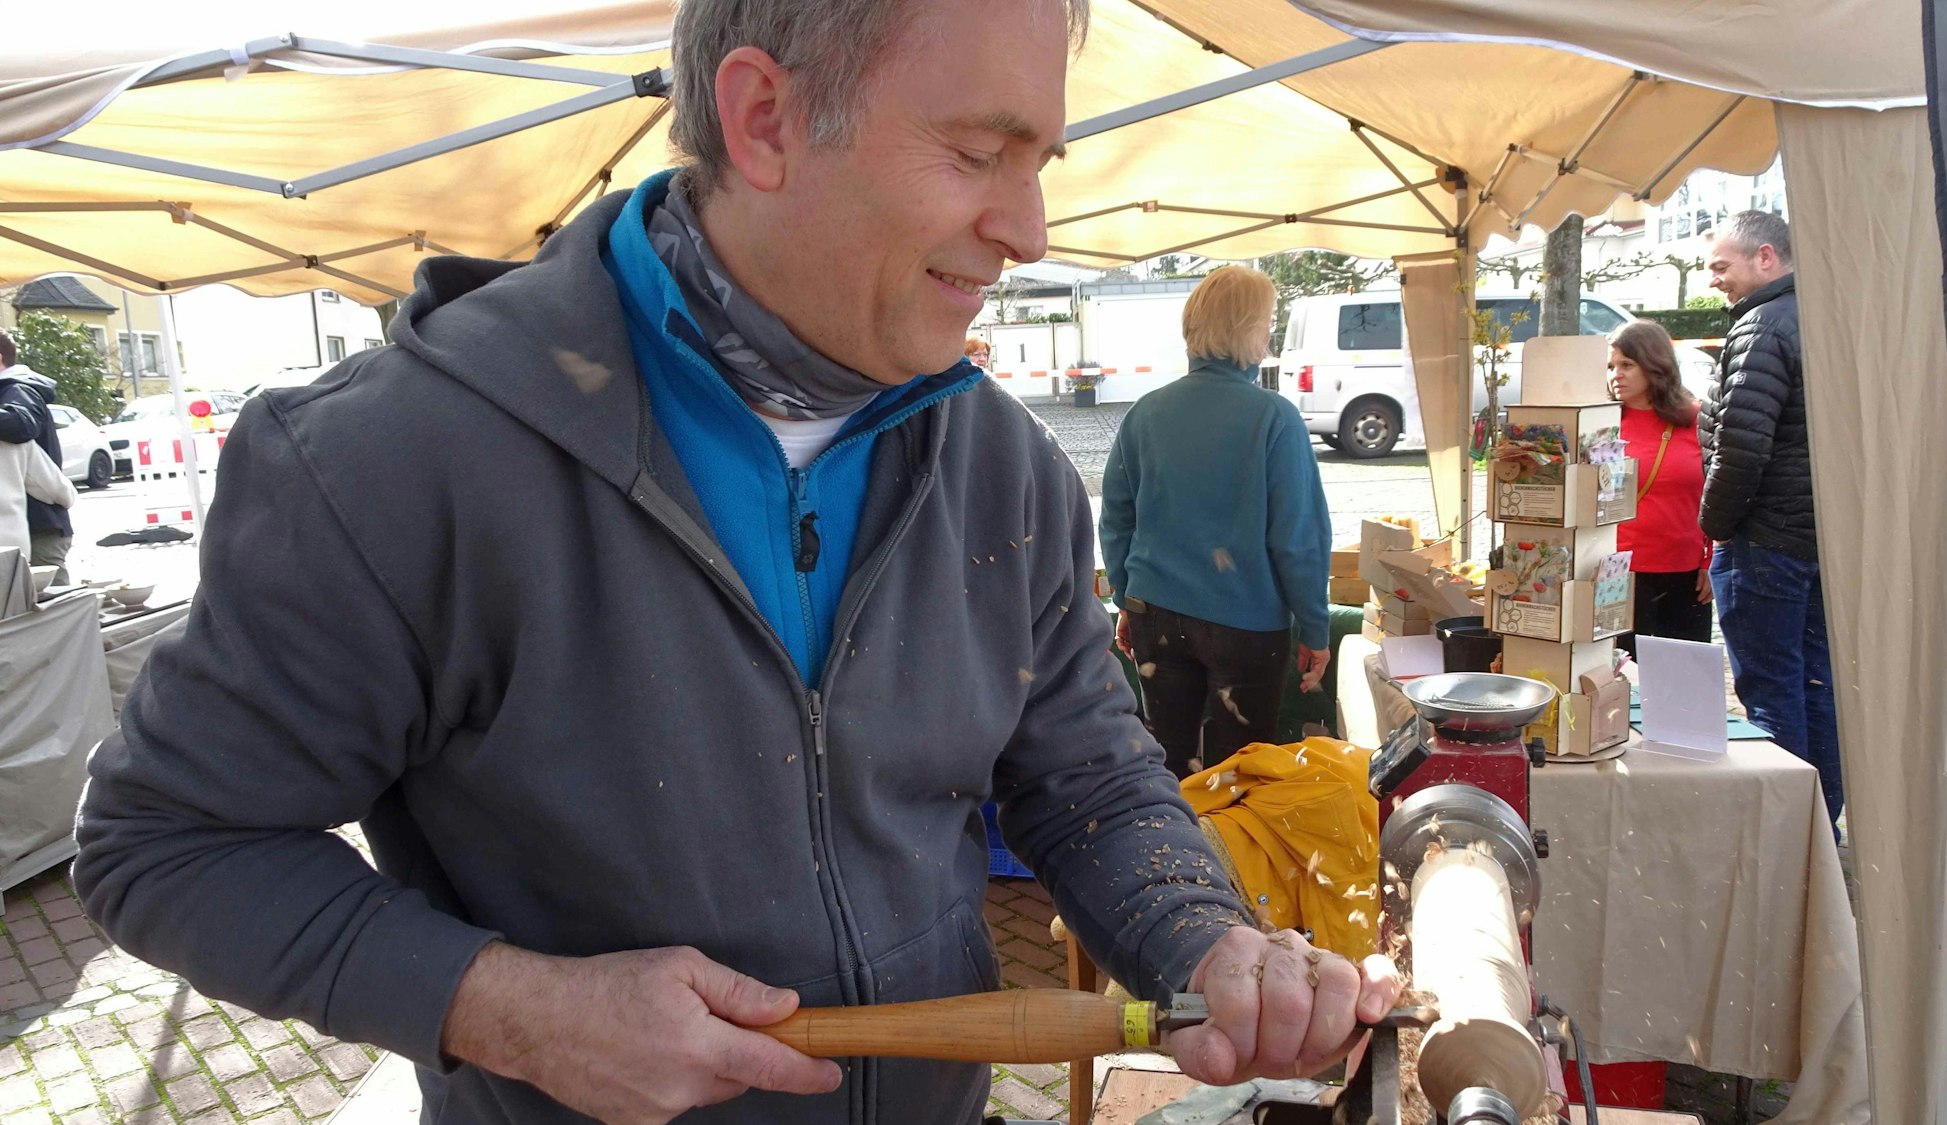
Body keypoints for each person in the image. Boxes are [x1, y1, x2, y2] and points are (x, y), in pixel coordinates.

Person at [72, 3, 1397, 1124]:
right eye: (982, 153)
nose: (1031, 229)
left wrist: (1201, 940)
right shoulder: (394, 460)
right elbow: (165, 841)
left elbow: (1088, 771)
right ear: (764, 118)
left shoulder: (1006, 466)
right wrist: (507, 1008)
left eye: (1040, 158)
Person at [1100, 266, 1332, 779]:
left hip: (1155, 613)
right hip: (1245, 624)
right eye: (1268, 322)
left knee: (1169, 762)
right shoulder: (1273, 417)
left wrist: (1125, 597)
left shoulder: (1145, 413)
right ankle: (1228, 859)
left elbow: (1116, 519)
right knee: (1239, 775)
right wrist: (1315, 627)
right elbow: (1298, 539)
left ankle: (1173, 855)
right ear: (1250, 330)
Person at [1699, 209, 1841, 824]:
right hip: (1815, 539)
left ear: (1765, 258)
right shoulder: (1821, 318)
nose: (1713, 281)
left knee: (1773, 691)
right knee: (1816, 688)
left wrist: (1715, 525)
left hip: (1767, 541)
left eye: (1720, 267)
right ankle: (1819, 820)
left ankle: (1785, 835)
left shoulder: (1762, 325)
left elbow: (1743, 446)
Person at [1605, 319, 1711, 650]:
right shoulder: (1600, 423)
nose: (1615, 374)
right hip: (1618, 571)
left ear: (1654, 365)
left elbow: (1716, 492)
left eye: (1627, 364)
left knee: (1682, 678)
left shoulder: (1698, 420)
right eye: (1610, 366)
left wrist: (1710, 561)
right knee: (1620, 676)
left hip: (1685, 571)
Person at [0, 331, 74, 583]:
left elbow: (20, 425)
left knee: (56, 610)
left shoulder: (19, 389)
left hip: (40, 526)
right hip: (31, 526)